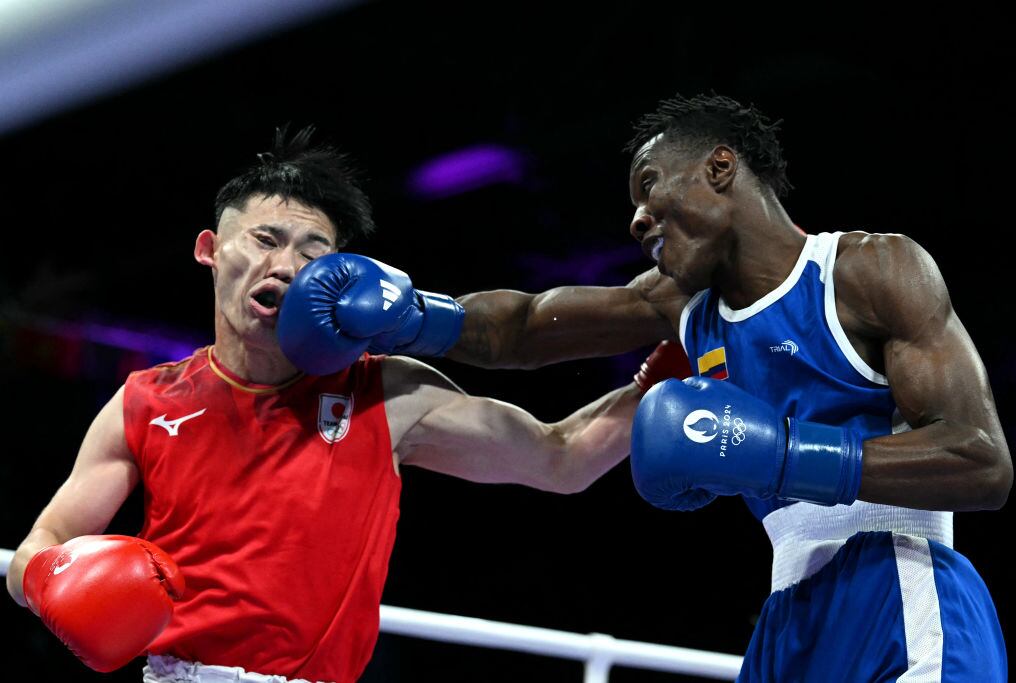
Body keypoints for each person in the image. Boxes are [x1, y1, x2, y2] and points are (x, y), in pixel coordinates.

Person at [315, 94, 1013, 680]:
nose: (637, 218)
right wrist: (414, 318)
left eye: (649, 185)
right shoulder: (683, 304)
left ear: (719, 168)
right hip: (789, 616)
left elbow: (982, 461)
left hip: (901, 582)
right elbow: (526, 326)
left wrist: (786, 454)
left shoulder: (867, 269)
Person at [4, 127, 678, 683]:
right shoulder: (145, 401)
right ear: (211, 250)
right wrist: (54, 582)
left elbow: (559, 459)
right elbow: (43, 540)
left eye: (313, 252)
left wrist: (661, 376)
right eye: (267, 240)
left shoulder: (384, 391)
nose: (287, 266)